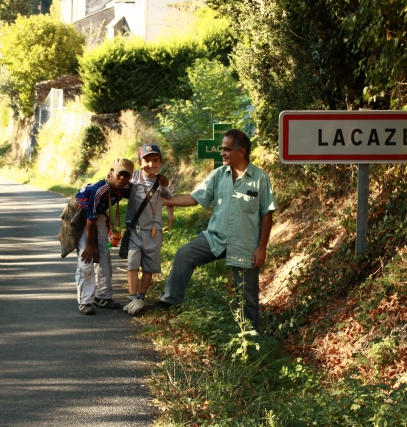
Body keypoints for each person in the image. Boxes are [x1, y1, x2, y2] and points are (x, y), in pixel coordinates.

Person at [158, 129, 277, 330]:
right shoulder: (219, 174)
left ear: (242, 151)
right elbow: (195, 198)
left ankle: (250, 334)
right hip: (215, 238)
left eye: (226, 149)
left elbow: (267, 213)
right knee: (184, 254)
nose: (221, 153)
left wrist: (261, 248)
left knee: (247, 292)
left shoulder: (260, 178)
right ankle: (170, 301)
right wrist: (164, 201)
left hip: (245, 243)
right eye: (221, 148)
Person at [75, 158, 134, 315]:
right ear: (110, 174)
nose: (122, 178)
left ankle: (103, 297)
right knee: (86, 258)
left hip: (98, 216)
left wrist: (160, 181)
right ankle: (85, 301)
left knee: (103, 255)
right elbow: (89, 219)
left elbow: (144, 188)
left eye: (126, 176)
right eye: (119, 174)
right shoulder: (99, 190)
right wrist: (89, 244)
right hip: (81, 216)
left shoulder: (125, 188)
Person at [123, 144, 174, 316]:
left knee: (149, 267)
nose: (151, 164)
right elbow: (119, 186)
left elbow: (169, 198)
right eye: (147, 160)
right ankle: (132, 299)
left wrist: (170, 215)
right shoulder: (133, 179)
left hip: (154, 230)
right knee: (132, 264)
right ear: (139, 162)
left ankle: (141, 297)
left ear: (160, 162)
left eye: (155, 160)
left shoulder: (161, 182)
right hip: (134, 230)